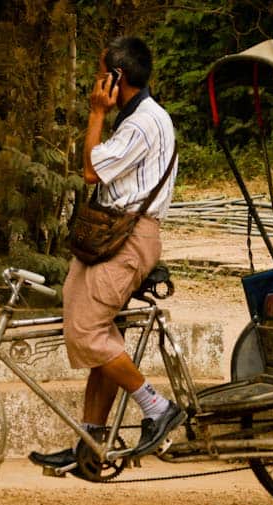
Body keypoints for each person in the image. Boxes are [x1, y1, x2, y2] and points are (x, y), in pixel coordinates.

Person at [29, 36, 183, 470]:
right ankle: (90, 446)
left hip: (127, 239)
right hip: (110, 237)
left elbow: (92, 170)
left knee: (86, 332)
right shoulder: (140, 118)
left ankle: (157, 408)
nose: (95, 85)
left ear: (117, 78)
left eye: (101, 76)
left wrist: (96, 113)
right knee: (96, 333)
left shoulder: (141, 123)